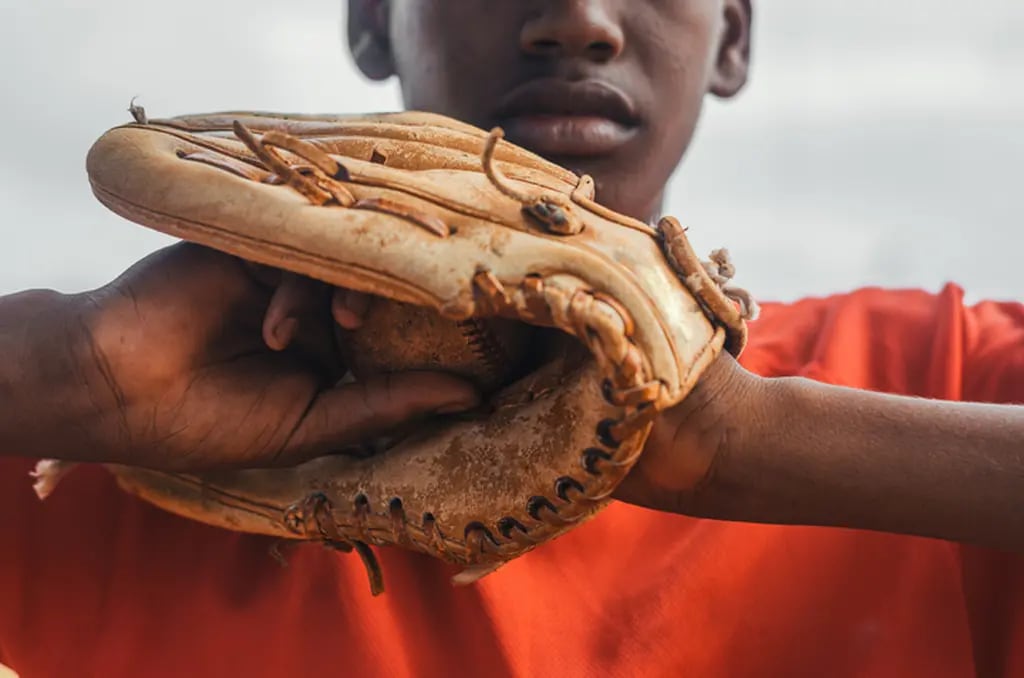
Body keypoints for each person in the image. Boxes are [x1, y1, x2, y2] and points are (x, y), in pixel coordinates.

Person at [2, 1, 1022, 675]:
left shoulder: (942, 381)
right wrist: (61, 370)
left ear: (734, 38)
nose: (576, 19)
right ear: (373, 20)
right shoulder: (107, 439)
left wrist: (744, 440)